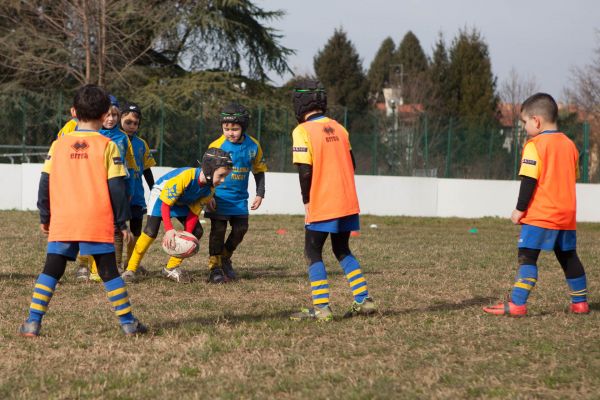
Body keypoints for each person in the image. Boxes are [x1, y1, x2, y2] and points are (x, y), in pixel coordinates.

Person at [19, 84, 146, 337]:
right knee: (109, 271)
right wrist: (122, 222)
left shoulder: (59, 145)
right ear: (104, 115)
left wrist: (46, 216)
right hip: (96, 220)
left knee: (51, 270)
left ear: (73, 112)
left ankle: (33, 322)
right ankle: (129, 324)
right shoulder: (108, 146)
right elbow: (117, 187)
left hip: (64, 219)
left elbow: (44, 183)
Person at [483, 93, 589, 316]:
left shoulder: (535, 145)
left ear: (537, 121)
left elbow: (529, 181)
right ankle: (580, 303)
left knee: (528, 257)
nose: (524, 127)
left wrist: (519, 210)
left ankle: (517, 304)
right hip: (566, 216)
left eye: (524, 122)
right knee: (569, 257)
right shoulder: (570, 146)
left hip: (540, 215)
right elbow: (572, 177)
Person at [289, 79, 376, 322]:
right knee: (341, 248)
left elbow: (305, 171)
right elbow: (353, 163)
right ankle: (364, 300)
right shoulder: (340, 127)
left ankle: (322, 308)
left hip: (323, 201)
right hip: (347, 200)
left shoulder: (302, 131)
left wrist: (307, 201)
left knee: (312, 251)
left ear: (300, 104)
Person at [122, 148, 233, 283]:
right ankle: (131, 269)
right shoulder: (186, 177)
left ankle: (170, 268)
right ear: (209, 170)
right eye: (221, 175)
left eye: (225, 177)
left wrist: (186, 235)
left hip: (181, 201)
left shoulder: (209, 190)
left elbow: (193, 214)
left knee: (196, 231)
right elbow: (166, 204)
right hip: (161, 197)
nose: (222, 180)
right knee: (150, 231)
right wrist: (169, 230)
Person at [205, 102, 267, 283]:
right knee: (218, 230)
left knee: (241, 229)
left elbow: (259, 170)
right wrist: (208, 196)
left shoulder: (253, 146)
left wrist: (260, 193)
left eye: (234, 129)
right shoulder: (216, 146)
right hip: (219, 197)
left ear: (243, 127)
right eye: (226, 128)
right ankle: (214, 268)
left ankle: (225, 257)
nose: (230, 133)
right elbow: (206, 174)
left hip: (240, 199)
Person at [119, 102, 155, 273]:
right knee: (116, 229)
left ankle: (131, 263)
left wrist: (154, 189)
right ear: (120, 120)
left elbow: (147, 169)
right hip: (119, 192)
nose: (132, 126)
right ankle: (114, 263)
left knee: (136, 229)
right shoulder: (114, 140)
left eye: (135, 123)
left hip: (137, 195)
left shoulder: (142, 144)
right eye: (128, 122)